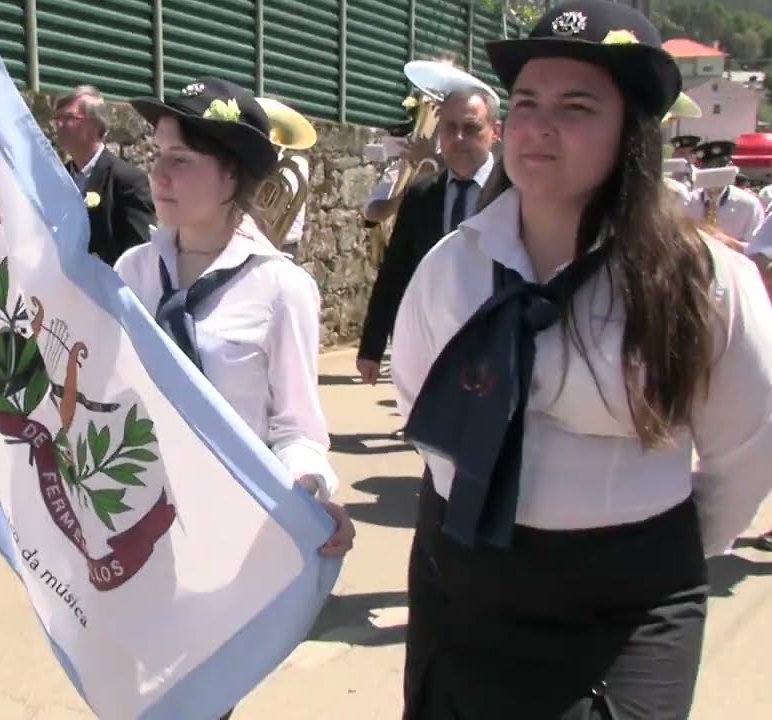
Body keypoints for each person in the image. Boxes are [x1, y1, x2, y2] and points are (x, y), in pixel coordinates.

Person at [392, 3, 772, 718]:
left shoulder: (706, 281)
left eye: (576, 106)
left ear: (631, 129)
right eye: (528, 102)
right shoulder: (456, 265)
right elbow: (422, 403)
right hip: (464, 578)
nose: (539, 124)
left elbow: (747, 452)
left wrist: (640, 547)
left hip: (626, 605)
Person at [119, 76, 355, 719]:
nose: (159, 173)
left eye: (181, 162)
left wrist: (302, 492)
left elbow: (299, 427)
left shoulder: (282, 288)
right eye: (157, 155)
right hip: (133, 524)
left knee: (199, 704)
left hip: (225, 540)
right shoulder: (132, 273)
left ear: (232, 179)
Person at [357, 85, 500, 385]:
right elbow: (395, 270)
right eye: (450, 128)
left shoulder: (514, 193)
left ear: (494, 132)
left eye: (471, 128)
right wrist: (372, 346)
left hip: (494, 345)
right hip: (430, 345)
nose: (459, 138)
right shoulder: (420, 195)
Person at [53, 84, 156, 266]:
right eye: (57, 118)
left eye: (69, 118)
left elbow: (140, 251)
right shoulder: (58, 176)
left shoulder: (126, 180)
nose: (59, 126)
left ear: (95, 124)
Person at [684, 140, 764, 247]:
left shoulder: (748, 205)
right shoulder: (689, 202)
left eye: (720, 166)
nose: (714, 172)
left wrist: (727, 242)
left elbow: (756, 249)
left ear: (730, 167)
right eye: (708, 168)